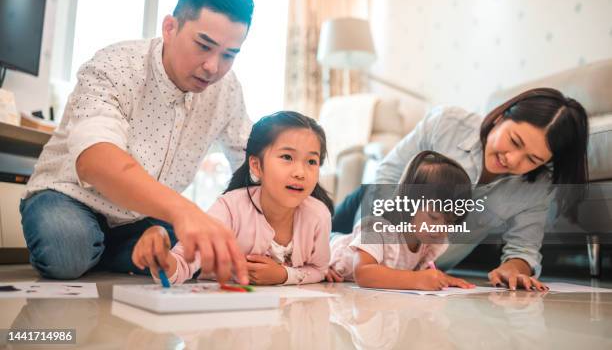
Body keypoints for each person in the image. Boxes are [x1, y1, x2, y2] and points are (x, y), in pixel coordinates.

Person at [20, 0, 255, 283]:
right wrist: (184, 212)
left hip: (143, 217)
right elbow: (96, 161)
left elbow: (251, 160)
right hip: (69, 196)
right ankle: (123, 250)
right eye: (203, 46)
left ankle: (132, 248)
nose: (213, 66)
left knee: (202, 251)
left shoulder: (227, 90)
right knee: (67, 249)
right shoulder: (115, 65)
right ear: (170, 28)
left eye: (229, 55)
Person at [331, 88, 588, 290]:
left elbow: (524, 250)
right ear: (500, 117)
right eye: (514, 141)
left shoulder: (536, 186)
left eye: (532, 159)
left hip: (415, 258)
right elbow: (387, 176)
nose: (512, 159)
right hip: (372, 212)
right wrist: (387, 254)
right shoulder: (448, 123)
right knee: (306, 243)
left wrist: (514, 268)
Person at [132, 111, 333, 285]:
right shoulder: (229, 208)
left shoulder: (318, 214)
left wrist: (283, 274)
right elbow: (182, 263)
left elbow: (319, 269)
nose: (300, 172)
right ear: (256, 166)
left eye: (311, 161)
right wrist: (162, 258)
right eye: (287, 157)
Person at [327, 151, 475, 290]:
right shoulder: (378, 228)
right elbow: (363, 273)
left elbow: (415, 272)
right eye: (434, 217)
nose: (441, 229)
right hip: (325, 248)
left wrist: (440, 278)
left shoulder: (428, 242)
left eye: (449, 223)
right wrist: (417, 280)